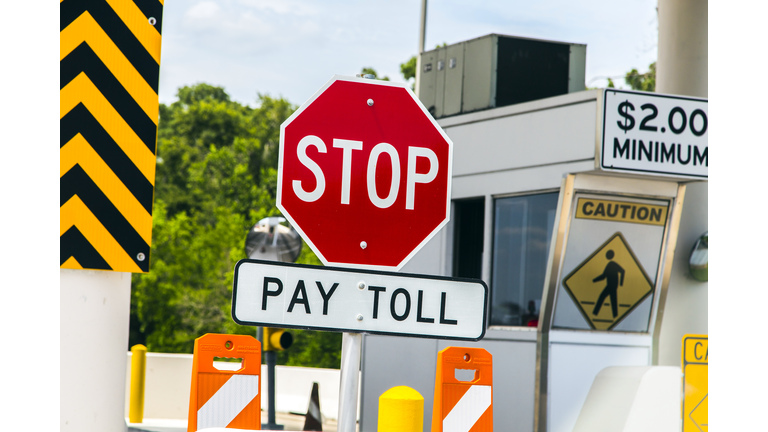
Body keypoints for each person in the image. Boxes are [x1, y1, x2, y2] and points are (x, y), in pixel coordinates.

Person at [592, 250, 625, 318]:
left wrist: (621, 283)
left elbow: (622, 271)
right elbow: (604, 276)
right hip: (610, 286)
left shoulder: (612, 264)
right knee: (612, 300)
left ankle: (595, 313)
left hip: (612, 286)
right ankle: (615, 315)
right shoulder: (609, 265)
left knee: (604, 297)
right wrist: (594, 280)